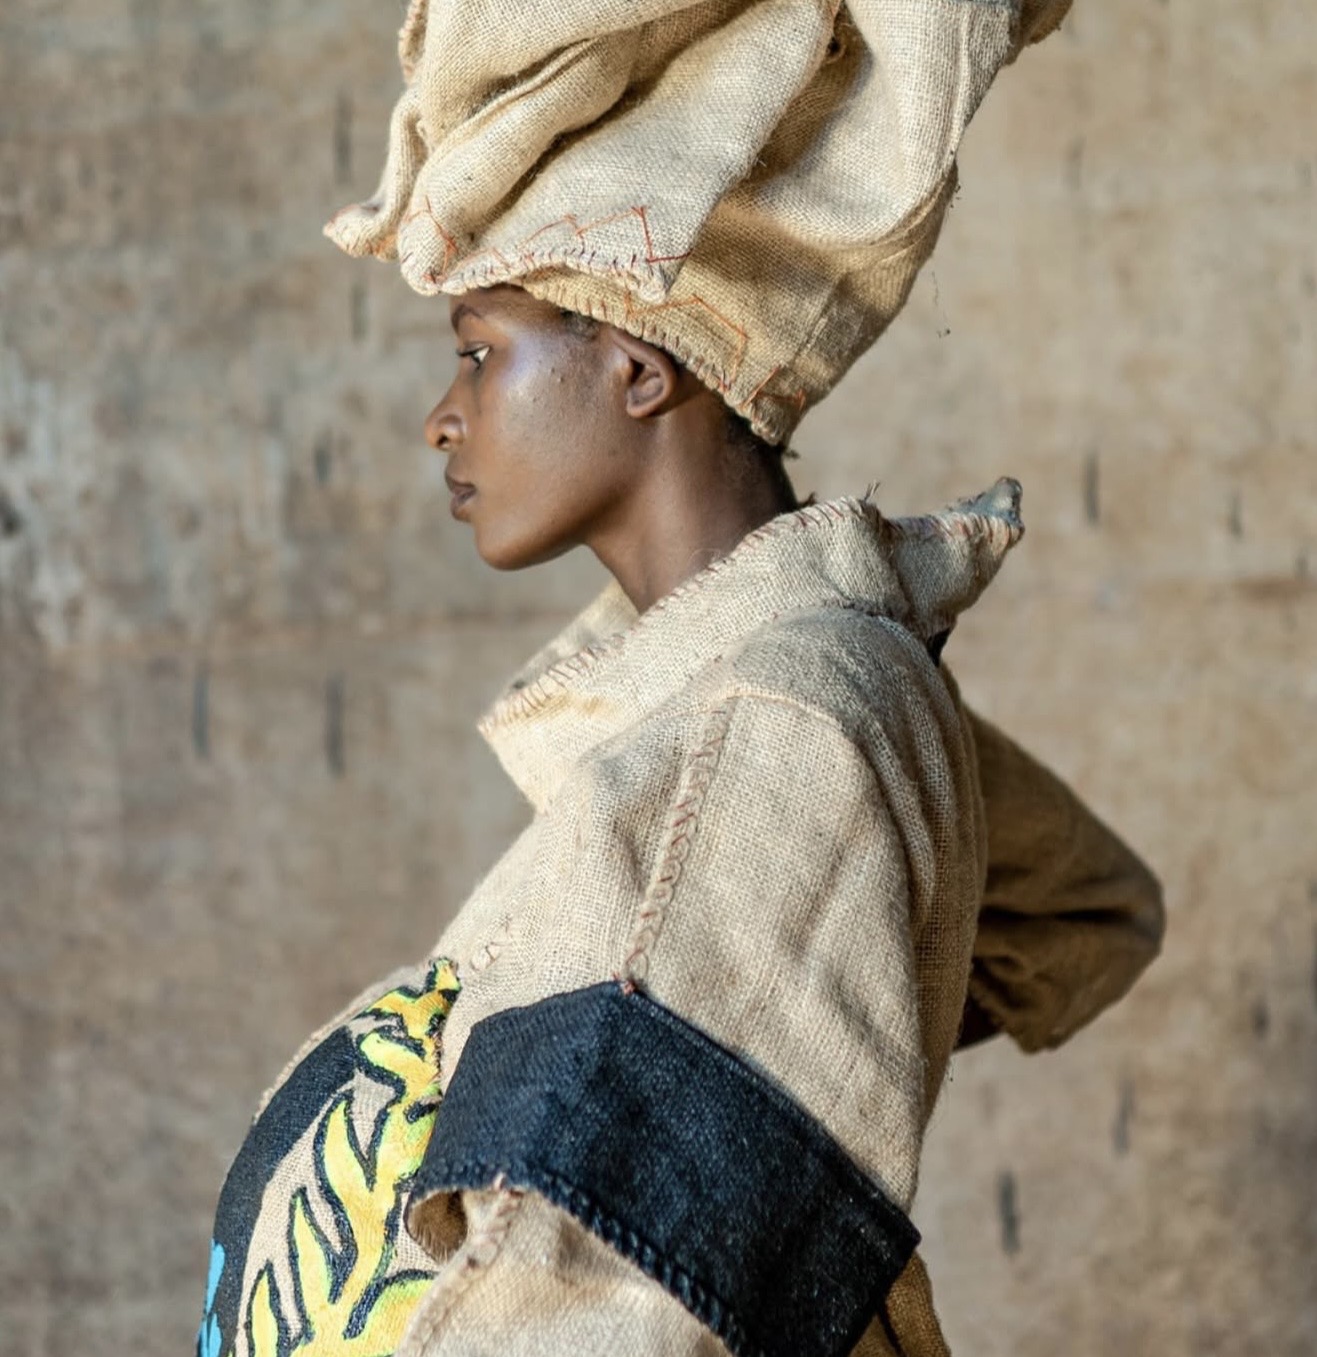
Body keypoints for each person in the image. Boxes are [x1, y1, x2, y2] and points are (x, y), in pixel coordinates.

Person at [198, 3, 1164, 1355]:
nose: (444, 414)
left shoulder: (780, 727)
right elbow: (1071, 907)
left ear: (636, 369)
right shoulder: (737, 711)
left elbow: (604, 1306)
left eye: (479, 348)